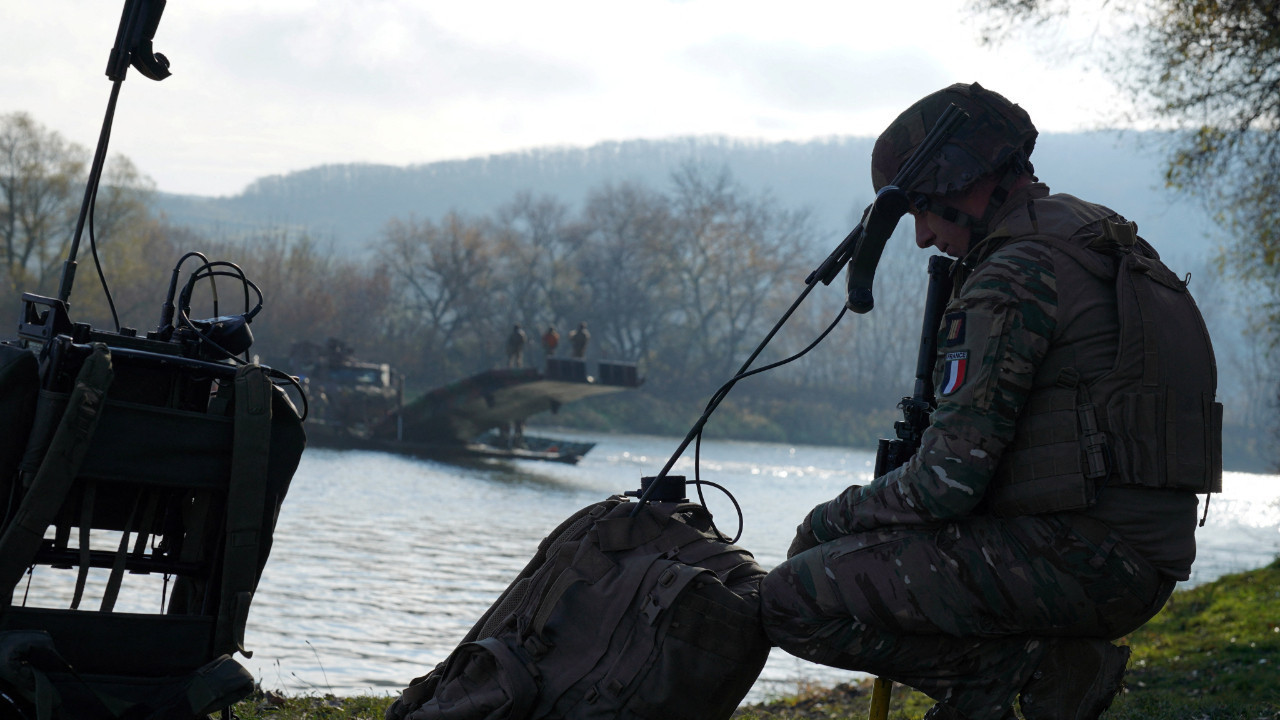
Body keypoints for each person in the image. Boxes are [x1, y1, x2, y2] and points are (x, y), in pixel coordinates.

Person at [760, 82, 1221, 720]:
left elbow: (944, 484)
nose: (921, 236)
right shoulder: (1095, 239)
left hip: (1082, 559)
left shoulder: (1014, 274)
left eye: (923, 209)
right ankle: (1008, 681)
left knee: (792, 596)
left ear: (961, 184)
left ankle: (1026, 671)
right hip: (1137, 559)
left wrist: (827, 519)